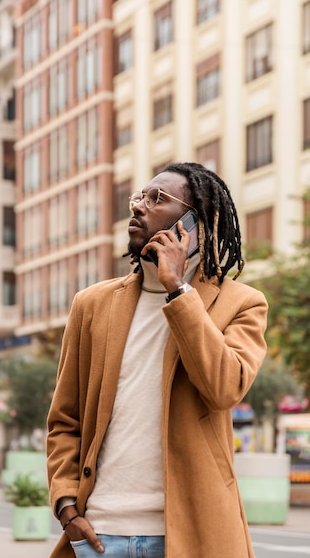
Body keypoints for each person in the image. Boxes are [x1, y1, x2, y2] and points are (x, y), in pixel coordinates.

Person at [47, 162, 268, 558]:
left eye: (157, 199)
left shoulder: (242, 303)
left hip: (193, 535)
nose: (139, 206)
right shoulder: (92, 305)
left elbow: (224, 389)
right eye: (139, 197)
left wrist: (178, 290)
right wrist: (66, 507)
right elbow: (65, 419)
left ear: (193, 223)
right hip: (101, 534)